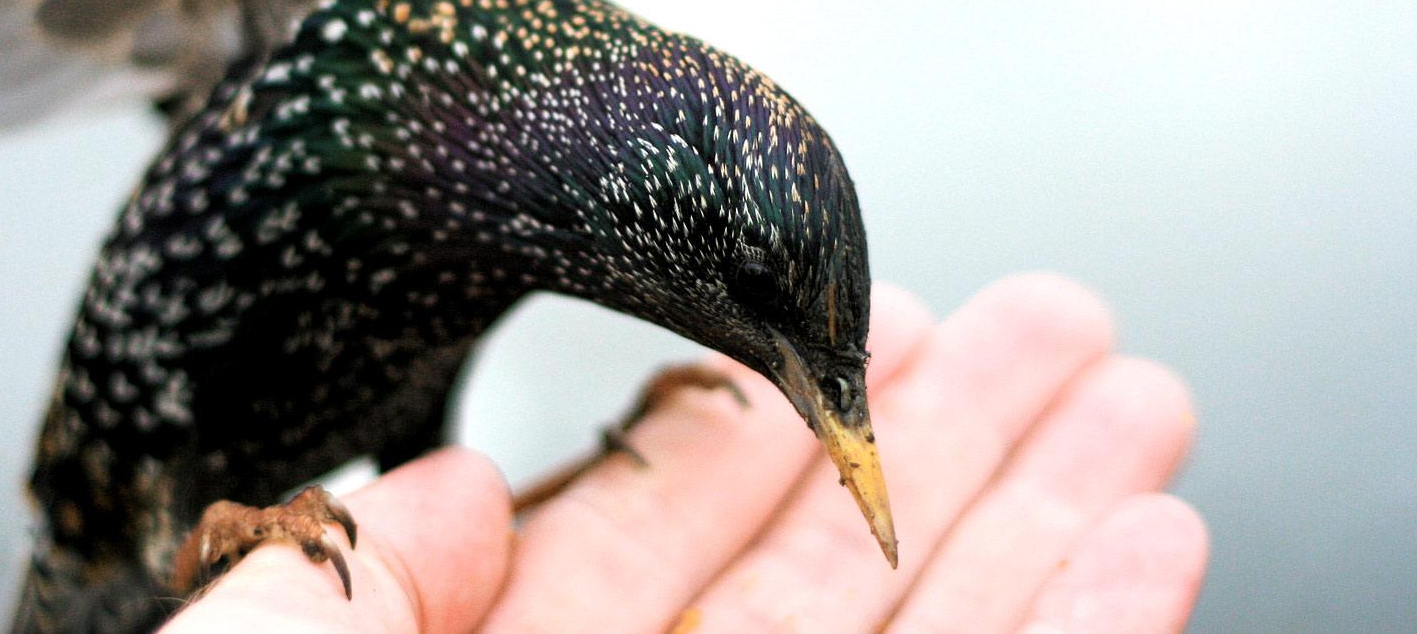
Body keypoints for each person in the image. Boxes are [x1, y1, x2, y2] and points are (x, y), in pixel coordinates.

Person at [165, 275, 1207, 632]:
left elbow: (433, 525)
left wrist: (601, 467)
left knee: (423, 523)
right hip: (152, 494)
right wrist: (230, 554)